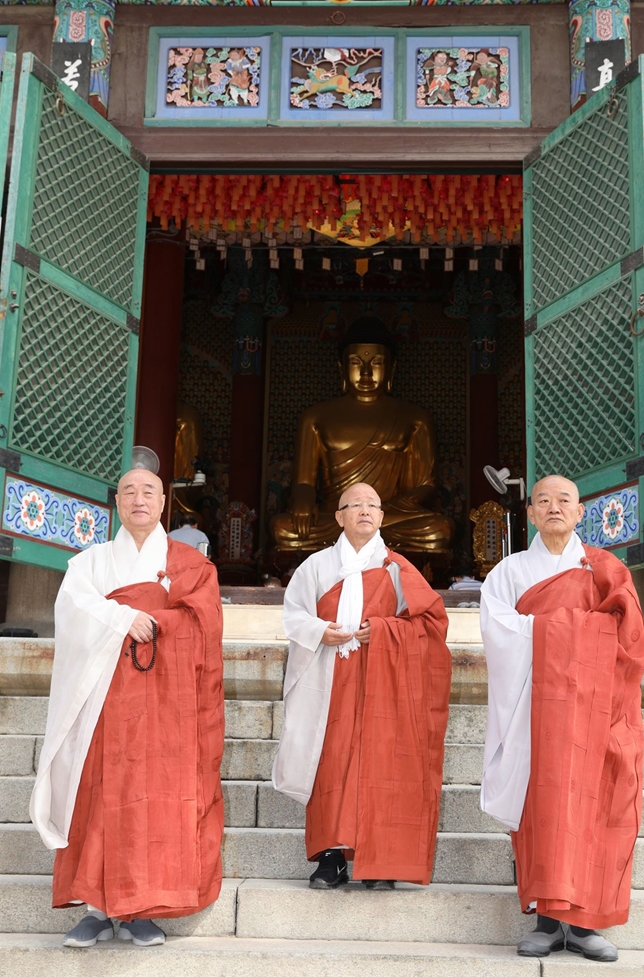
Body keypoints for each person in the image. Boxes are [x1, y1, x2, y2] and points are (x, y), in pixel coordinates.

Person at [30, 469, 224, 948]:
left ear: (164, 504)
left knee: (155, 797)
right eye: (130, 492)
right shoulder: (91, 562)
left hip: (166, 703)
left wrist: (155, 620)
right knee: (98, 791)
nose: (139, 499)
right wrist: (124, 616)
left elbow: (205, 623)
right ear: (117, 503)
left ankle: (142, 908)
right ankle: (96, 908)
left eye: (149, 492)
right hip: (101, 700)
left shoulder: (191, 565)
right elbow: (73, 610)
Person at [479, 475, 644, 963]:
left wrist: (551, 630)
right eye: (543, 501)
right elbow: (498, 629)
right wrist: (568, 630)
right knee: (544, 809)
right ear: (530, 514)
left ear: (581, 514)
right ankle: (547, 921)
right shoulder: (509, 573)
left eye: (564, 501)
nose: (554, 508)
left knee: (596, 809)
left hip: (596, 712)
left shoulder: (605, 569)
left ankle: (585, 923)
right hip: (536, 709)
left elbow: (630, 637)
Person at [272, 482, 451, 889]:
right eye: (355, 505)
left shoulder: (397, 568)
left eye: (373, 505)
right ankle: (330, 858)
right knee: (330, 761)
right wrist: (321, 630)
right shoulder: (315, 566)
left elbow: (431, 623)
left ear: (383, 517)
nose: (365, 511)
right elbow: (294, 615)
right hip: (328, 678)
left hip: (383, 682)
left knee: (381, 764)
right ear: (339, 516)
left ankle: (379, 860)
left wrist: (385, 630)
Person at [271, 316, 453, 552]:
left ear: (392, 368)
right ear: (341, 367)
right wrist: (303, 500)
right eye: (356, 362)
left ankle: (367, 527)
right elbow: (304, 481)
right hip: (336, 518)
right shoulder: (315, 417)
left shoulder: (414, 417)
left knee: (441, 530)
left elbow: (426, 486)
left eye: (376, 362)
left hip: (389, 516)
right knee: (282, 528)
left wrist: (379, 510)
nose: (366, 372)